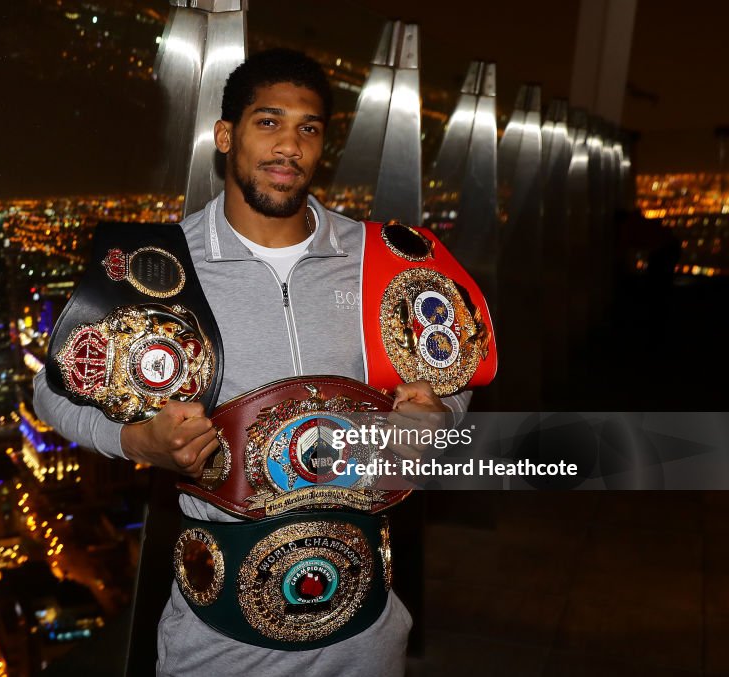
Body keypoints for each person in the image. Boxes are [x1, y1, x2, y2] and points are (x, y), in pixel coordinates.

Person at [34, 48, 471, 676]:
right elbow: (52, 393)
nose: (289, 145)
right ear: (225, 136)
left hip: (366, 632)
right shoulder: (160, 266)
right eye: (268, 122)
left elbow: (451, 375)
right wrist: (134, 438)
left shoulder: (383, 260)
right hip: (218, 642)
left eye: (309, 128)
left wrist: (439, 421)